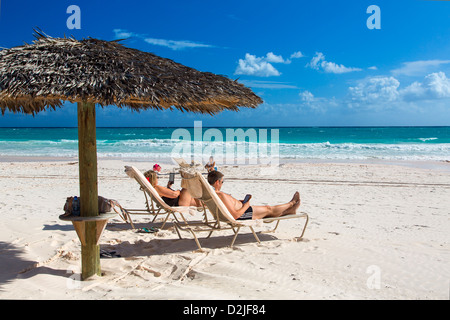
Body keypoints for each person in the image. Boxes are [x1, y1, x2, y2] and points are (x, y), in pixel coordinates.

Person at [207, 171, 300, 220]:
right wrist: (245, 205)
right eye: (222, 181)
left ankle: (290, 211)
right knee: (269, 209)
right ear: (217, 182)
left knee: (268, 212)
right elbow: (235, 215)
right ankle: (292, 203)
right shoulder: (220, 195)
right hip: (242, 214)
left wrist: (238, 202)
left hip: (243, 210)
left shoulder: (213, 194)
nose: (223, 183)